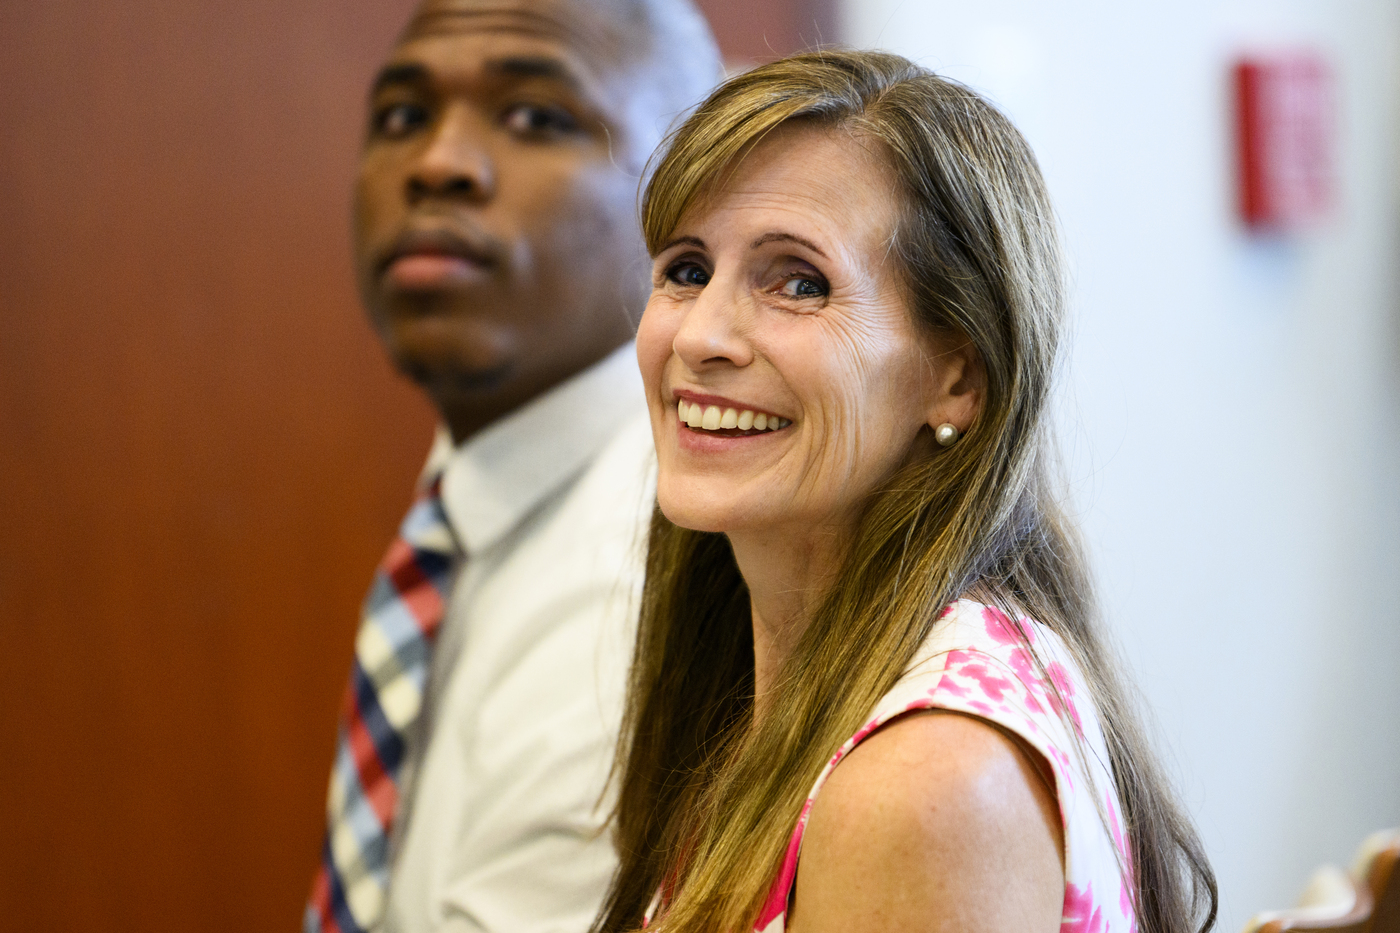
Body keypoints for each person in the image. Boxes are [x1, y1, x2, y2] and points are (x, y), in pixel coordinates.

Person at [595, 50, 1219, 933]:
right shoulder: (786, 686)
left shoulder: (926, 780)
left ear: (957, 377)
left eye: (798, 282)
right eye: (687, 269)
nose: (701, 335)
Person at [304, 2, 720, 932]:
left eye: (538, 116)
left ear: (695, 203)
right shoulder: (472, 498)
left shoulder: (665, 556)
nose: (437, 162)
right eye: (403, 117)